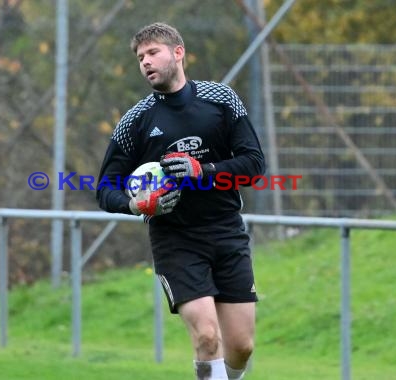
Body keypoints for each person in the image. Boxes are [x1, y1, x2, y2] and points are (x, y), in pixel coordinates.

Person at [96, 22, 266, 380]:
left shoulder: (221, 100)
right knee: (207, 337)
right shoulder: (135, 122)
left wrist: (201, 170)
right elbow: (105, 187)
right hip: (176, 240)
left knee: (242, 346)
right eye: (140, 57)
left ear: (178, 52)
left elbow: (253, 166)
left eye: (153, 52)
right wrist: (135, 204)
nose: (145, 62)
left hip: (226, 231)